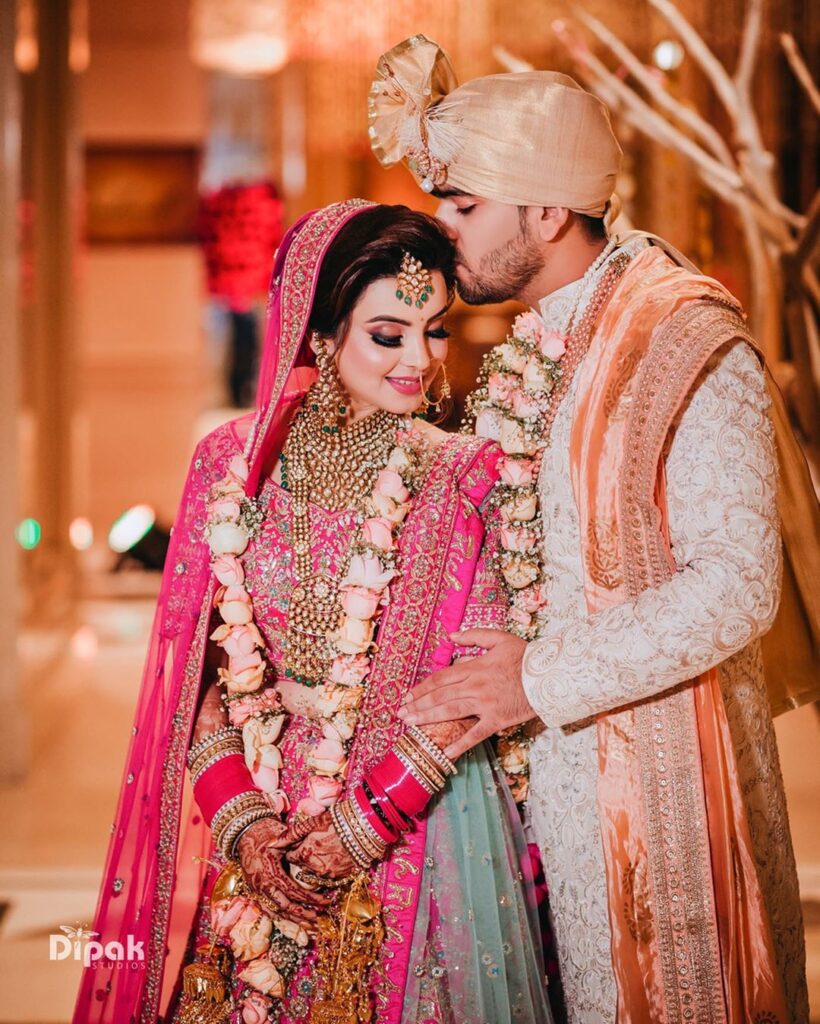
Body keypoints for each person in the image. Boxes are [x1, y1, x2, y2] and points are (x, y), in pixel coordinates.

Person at [369, 36, 810, 1023]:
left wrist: (530, 678)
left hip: (662, 789)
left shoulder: (683, 338)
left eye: (464, 206)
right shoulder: (543, 339)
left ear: (546, 209)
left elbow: (739, 583)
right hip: (541, 790)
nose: (443, 232)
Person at [72, 201, 553, 1024]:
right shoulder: (230, 467)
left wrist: (361, 827)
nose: (421, 362)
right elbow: (196, 676)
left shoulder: (467, 473)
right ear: (320, 335)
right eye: (388, 333)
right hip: (256, 823)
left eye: (436, 331)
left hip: (418, 833)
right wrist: (244, 824)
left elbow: (475, 683)